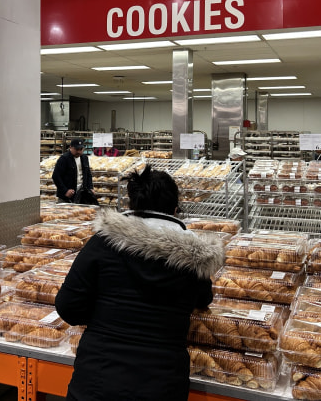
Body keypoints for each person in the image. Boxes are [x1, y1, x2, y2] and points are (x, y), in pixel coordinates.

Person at [55, 165, 223, 401]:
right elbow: (203, 299)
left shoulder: (103, 243)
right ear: (175, 210)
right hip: (162, 384)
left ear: (132, 205)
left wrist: (106, 315)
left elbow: (68, 306)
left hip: (98, 379)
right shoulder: (195, 259)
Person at [52, 138, 94, 202]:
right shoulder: (64, 159)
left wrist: (90, 187)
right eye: (77, 149)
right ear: (70, 147)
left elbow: (88, 174)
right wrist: (65, 191)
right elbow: (56, 176)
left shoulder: (84, 158)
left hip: (82, 195)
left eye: (81, 149)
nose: (79, 152)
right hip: (67, 196)